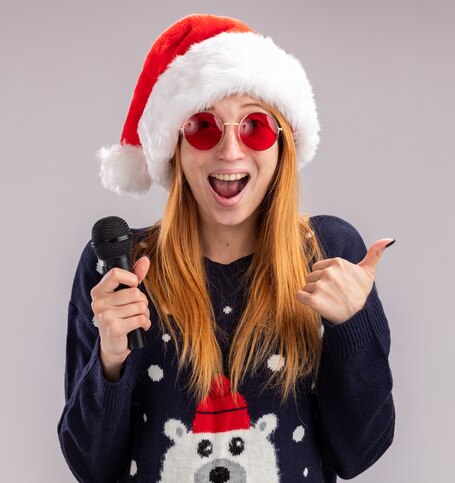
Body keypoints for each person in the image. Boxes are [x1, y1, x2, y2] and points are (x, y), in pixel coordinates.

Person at [58, 14, 396, 483]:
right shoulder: (118, 269)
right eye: (203, 127)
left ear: (282, 144)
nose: (230, 152)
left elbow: (357, 454)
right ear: (175, 145)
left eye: (254, 126)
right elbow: (91, 466)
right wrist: (111, 359)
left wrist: (353, 326)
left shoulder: (327, 252)